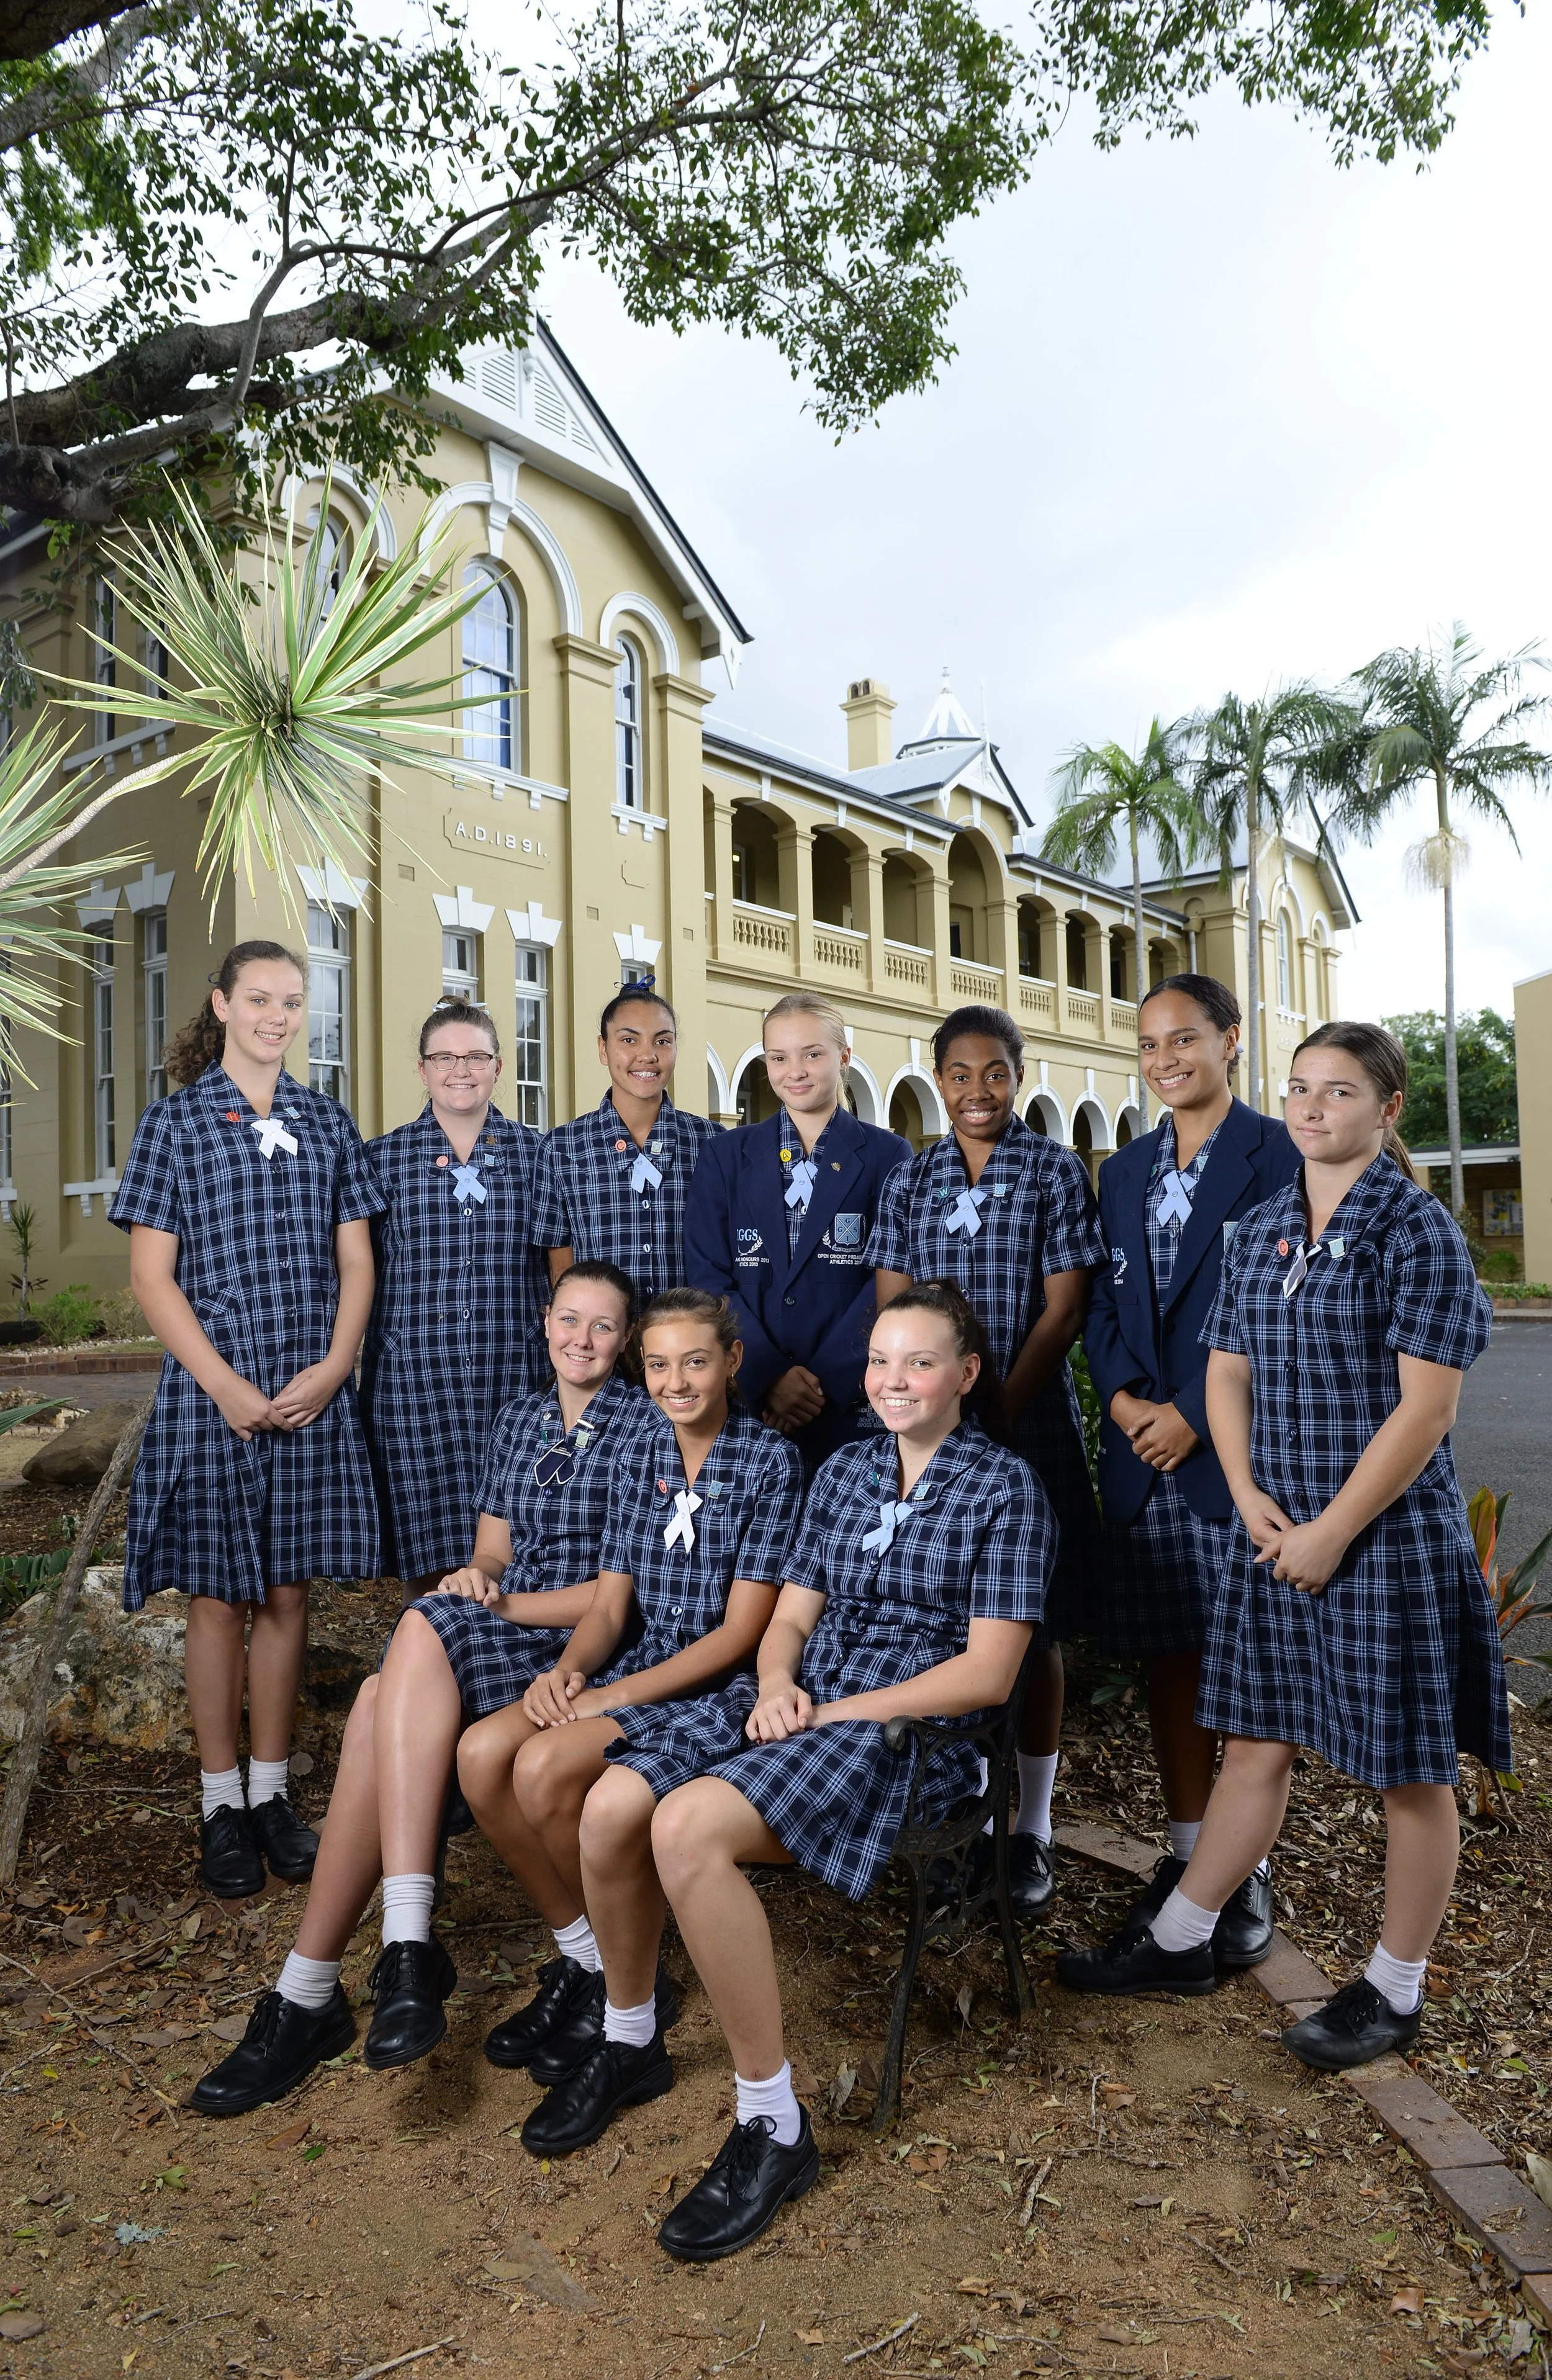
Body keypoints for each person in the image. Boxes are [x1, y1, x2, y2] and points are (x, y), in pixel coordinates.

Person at [559, 1282, 1052, 2256]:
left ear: (966, 1373)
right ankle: (628, 2039)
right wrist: (779, 1679)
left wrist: (832, 1710)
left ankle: (773, 2123)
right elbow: (788, 1614)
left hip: (908, 1737)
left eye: (918, 1361)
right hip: (804, 1701)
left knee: (684, 1826)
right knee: (611, 1802)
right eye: (881, 1361)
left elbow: (988, 1672)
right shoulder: (848, 1470)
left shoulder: (1005, 1489)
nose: (893, 1380)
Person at [1058, 1023, 1510, 2073]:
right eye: (1299, 1088)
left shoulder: (1418, 1232)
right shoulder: (1261, 1224)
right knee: (1256, 1741)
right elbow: (1224, 1367)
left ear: (1386, 1108)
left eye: (1339, 1091)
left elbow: (1426, 1412)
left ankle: (1394, 1986)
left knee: (1409, 1772)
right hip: (1273, 1527)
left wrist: (1332, 1528)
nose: (1311, 1108)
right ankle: (1179, 1938)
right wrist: (1251, 1492)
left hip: (1381, 1537)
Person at [187, 1262, 644, 2114]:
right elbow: (493, 1552)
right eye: (569, 1318)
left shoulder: (644, 1429)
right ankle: (320, 1982)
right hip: (505, 1625)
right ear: (544, 1320)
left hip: (584, 1648)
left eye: (604, 1326)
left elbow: (616, 1594)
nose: (581, 1338)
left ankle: (373, 1958)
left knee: (407, 1647)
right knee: (385, 1681)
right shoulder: (520, 1417)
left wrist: (494, 1600)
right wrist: (476, 1576)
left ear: (625, 1342)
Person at [459, 1286, 805, 2091]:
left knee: (543, 1768)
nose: (676, 1380)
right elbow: (612, 1603)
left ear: (731, 1361)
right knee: (487, 1755)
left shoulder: (768, 1461)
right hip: (634, 1659)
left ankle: (627, 1998)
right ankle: (594, 1961)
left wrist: (611, 1698)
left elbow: (738, 1634)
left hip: (710, 1682)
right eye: (658, 1363)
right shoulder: (638, 1451)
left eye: (694, 1360)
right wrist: (570, 1670)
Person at [110, 940, 384, 1901]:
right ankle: (220, 1803)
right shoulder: (174, 1124)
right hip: (211, 1388)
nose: (276, 1015)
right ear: (221, 1003)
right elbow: (152, 1276)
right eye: (258, 998)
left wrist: (338, 1362)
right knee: (219, 1595)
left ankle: (272, 1795)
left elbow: (358, 1261)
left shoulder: (325, 1119)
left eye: (292, 1001)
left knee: (287, 1592)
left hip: (308, 1381)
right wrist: (224, 1384)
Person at [1082, 975, 1300, 1967]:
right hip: (1142, 1461)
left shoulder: (1280, 1154)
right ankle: (1188, 1854)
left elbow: (1285, 1312)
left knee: (1247, 1674)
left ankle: (1243, 1874)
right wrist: (1128, 1404)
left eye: (1185, 1039)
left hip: (1234, 1460)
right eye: (1149, 1044)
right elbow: (1104, 1308)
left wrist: (1194, 1421)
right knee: (1172, 1657)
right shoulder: (1123, 1170)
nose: (1166, 1058)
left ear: (1230, 1040)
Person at [870, 1005, 1104, 1916]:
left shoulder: (1050, 1169)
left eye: (996, 1072)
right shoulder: (911, 1174)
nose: (978, 1091)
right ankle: (956, 1810)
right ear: (937, 1078)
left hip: (1024, 1423)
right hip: (927, 1429)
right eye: (960, 1074)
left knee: (1030, 1627)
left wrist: (998, 1403)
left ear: (1018, 1073)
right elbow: (893, 1307)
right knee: (940, 1617)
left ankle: (1031, 1828)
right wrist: (931, 1401)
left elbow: (1064, 1308)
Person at [360, 999, 550, 1595]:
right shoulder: (379, 1161)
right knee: (427, 1551)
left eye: (475, 1056)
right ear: (422, 1070)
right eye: (445, 1057)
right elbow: (356, 1272)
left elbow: (558, 1266)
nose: (459, 1070)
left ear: (498, 1066)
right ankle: (427, 1672)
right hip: (414, 1383)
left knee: (519, 1550)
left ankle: (504, 1680)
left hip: (514, 1377)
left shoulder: (539, 1156)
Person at [684, 994, 910, 1467]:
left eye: (813, 1053)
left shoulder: (890, 1157)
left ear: (844, 1056)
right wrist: (767, 1373)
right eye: (779, 1057)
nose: (796, 1071)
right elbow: (709, 1278)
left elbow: (890, 1282)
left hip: (851, 1401)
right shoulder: (724, 1156)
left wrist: (822, 1382)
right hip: (753, 1402)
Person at [531, 984, 718, 1299]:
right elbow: (561, 1268)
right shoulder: (561, 1148)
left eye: (662, 1041)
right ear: (603, 1049)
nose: (647, 1055)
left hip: (692, 1340)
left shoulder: (713, 1143)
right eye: (629, 1040)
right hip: (604, 1341)